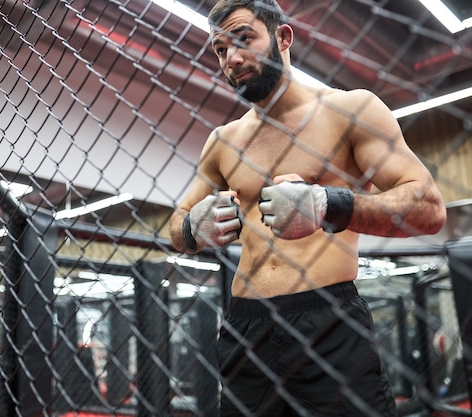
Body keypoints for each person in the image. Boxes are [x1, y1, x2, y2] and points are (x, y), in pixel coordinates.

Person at [169, 0, 446, 415]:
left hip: (327, 322)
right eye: (221, 50)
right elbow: (173, 226)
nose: (233, 59)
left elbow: (429, 207)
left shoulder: (350, 110)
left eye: (244, 39)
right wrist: (192, 228)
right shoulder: (222, 141)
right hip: (246, 328)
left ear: (283, 37)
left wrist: (330, 203)